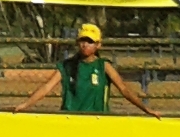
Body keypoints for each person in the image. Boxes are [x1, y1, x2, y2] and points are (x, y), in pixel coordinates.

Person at [14, 22, 160, 117]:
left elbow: (124, 90)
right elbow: (47, 88)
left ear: (98, 45)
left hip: (97, 121)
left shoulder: (104, 66)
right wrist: (25, 105)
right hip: (70, 119)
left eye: (90, 42)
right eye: (83, 41)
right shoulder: (67, 65)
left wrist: (146, 109)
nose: (85, 45)